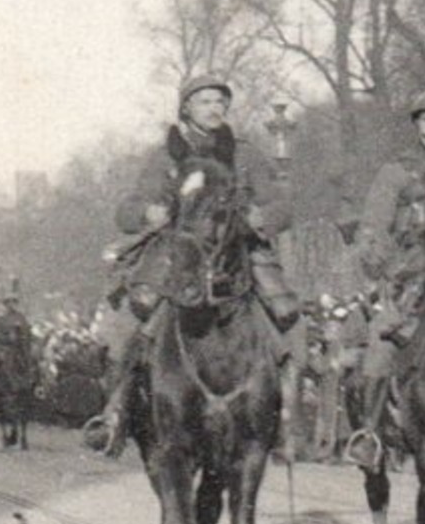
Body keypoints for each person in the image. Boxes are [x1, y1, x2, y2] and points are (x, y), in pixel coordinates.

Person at [83, 75, 299, 456]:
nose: (215, 108)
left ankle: (283, 418)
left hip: (238, 252)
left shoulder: (245, 155)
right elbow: (126, 210)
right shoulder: (165, 156)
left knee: (290, 320)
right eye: (205, 102)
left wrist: (257, 218)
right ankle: (114, 412)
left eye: (220, 102)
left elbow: (282, 206)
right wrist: (149, 211)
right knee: (132, 319)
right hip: (178, 254)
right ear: (186, 108)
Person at [345, 87, 425, 470]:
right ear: (417, 125)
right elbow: (374, 226)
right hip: (410, 278)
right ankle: (369, 433)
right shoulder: (395, 173)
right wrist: (379, 261)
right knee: (383, 342)